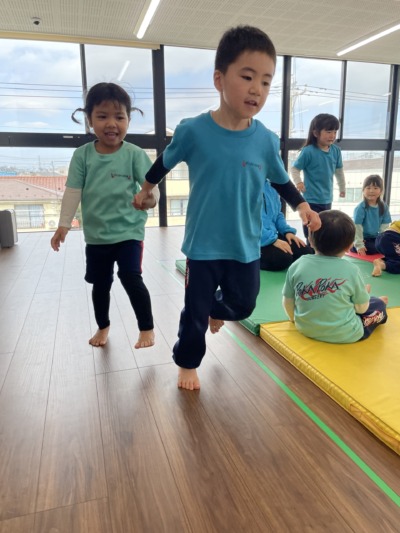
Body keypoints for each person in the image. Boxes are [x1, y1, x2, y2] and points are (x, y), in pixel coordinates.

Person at [134, 25, 321, 390]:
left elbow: (281, 180)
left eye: (266, 82)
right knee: (194, 313)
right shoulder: (193, 131)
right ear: (219, 79)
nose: (257, 89)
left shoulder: (265, 139)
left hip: (245, 244)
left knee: (244, 305)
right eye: (247, 77)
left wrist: (302, 207)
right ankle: (187, 362)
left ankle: (212, 308)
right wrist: (145, 190)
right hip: (203, 245)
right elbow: (163, 163)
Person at [51, 82, 159, 349]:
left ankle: (146, 328)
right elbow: (73, 191)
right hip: (97, 236)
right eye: (102, 116)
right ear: (89, 120)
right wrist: (63, 225)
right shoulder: (82, 156)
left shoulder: (134, 154)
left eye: (119, 117)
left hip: (129, 232)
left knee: (130, 277)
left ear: (128, 120)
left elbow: (152, 189)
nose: (112, 123)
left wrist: (148, 200)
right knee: (100, 284)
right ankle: (103, 326)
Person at [282, 210, 388, 343]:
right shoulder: (351, 270)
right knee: (378, 304)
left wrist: (293, 319)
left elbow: (288, 301)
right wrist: (365, 296)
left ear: (310, 240)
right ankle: (376, 301)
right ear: (349, 246)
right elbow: (361, 309)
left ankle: (364, 296)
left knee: (343, 300)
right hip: (346, 333)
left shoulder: (297, 265)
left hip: (305, 328)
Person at [291, 113, 346, 242]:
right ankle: (310, 249)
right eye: (328, 132)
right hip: (311, 199)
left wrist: (342, 187)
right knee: (311, 230)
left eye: (335, 132)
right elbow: (294, 169)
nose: (332, 135)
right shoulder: (308, 151)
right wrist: (298, 182)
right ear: (316, 133)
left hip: (327, 198)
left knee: (324, 230)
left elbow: (339, 171)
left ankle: (321, 251)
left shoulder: (336, 151)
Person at [260, 179, 313, 271]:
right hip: (253, 239)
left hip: (272, 236)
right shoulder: (245, 186)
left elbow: (278, 214)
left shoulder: (271, 185)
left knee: (305, 252)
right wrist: (271, 240)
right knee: (282, 259)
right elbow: (245, 222)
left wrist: (287, 231)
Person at [352, 174, 391, 255]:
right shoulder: (360, 208)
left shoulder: (384, 207)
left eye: (375, 188)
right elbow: (357, 227)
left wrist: (383, 241)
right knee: (372, 248)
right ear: (363, 190)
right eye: (368, 188)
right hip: (361, 238)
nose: (371, 191)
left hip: (374, 237)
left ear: (381, 191)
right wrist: (359, 245)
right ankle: (353, 245)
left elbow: (384, 227)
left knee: (390, 244)